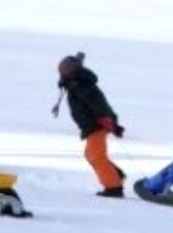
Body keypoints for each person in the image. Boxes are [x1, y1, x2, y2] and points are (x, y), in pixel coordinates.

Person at [54, 52, 126, 197]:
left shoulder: (82, 85)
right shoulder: (74, 83)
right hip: (91, 125)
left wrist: (106, 119)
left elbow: (98, 103)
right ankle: (116, 176)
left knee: (96, 155)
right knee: (90, 154)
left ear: (75, 71)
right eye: (62, 69)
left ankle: (114, 187)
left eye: (67, 69)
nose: (64, 72)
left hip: (97, 123)